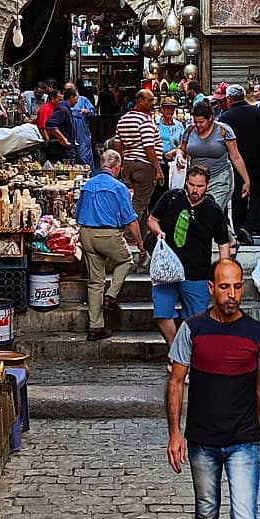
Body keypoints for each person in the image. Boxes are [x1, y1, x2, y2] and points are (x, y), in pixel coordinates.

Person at [167, 259, 260, 519]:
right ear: (211, 289)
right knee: (206, 513)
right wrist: (174, 433)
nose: (231, 295)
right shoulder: (192, 330)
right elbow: (177, 382)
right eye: (224, 287)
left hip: (243, 441)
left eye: (237, 287)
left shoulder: (257, 333)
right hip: (202, 441)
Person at [148, 166, 231, 354]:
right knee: (162, 313)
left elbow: (223, 243)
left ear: (207, 186)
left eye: (199, 186)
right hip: (166, 270)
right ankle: (176, 351)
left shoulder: (214, 211)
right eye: (192, 185)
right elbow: (152, 219)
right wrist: (158, 232)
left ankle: (182, 357)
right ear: (186, 182)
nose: (195, 190)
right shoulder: (171, 198)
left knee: (196, 320)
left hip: (197, 273)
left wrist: (223, 275)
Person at [75, 149, 146, 341]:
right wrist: (140, 245)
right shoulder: (119, 188)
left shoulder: (87, 185)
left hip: (86, 234)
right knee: (126, 261)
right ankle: (111, 295)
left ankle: (95, 327)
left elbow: (77, 213)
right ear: (117, 167)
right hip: (108, 235)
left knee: (95, 282)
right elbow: (131, 220)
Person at [180, 101, 251, 243]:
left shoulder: (224, 131)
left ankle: (213, 242)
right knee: (202, 210)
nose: (198, 126)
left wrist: (246, 180)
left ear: (211, 118)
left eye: (201, 122)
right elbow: (182, 149)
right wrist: (178, 156)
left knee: (210, 210)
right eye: (196, 122)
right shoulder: (189, 130)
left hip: (220, 177)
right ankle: (229, 239)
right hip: (197, 180)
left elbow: (235, 156)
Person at [220, 85, 260, 245]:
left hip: (236, 163)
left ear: (229, 99)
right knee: (258, 194)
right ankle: (253, 226)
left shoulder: (226, 117)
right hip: (258, 160)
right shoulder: (258, 112)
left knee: (238, 195)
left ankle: (240, 228)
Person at [115, 89, 165, 238]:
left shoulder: (123, 119)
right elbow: (149, 147)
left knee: (142, 202)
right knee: (139, 203)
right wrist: (158, 169)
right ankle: (130, 235)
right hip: (144, 166)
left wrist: (123, 163)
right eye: (149, 100)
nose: (153, 103)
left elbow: (118, 144)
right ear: (140, 101)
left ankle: (143, 235)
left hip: (130, 164)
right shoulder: (145, 120)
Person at [65, 82, 96, 171]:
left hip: (81, 129)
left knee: (83, 154)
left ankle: (88, 174)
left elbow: (92, 111)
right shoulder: (63, 101)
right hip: (69, 129)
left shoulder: (83, 100)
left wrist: (87, 111)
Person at [44, 86, 77, 162]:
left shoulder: (66, 109)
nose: (77, 101)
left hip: (66, 148)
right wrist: (62, 138)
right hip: (60, 150)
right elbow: (51, 124)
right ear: (71, 97)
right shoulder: (62, 108)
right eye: (76, 98)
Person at [157, 97, 185, 184]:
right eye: (168, 108)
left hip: (174, 162)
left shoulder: (179, 125)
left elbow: (183, 143)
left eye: (172, 108)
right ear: (162, 109)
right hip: (158, 162)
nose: (170, 111)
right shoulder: (155, 123)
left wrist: (176, 151)